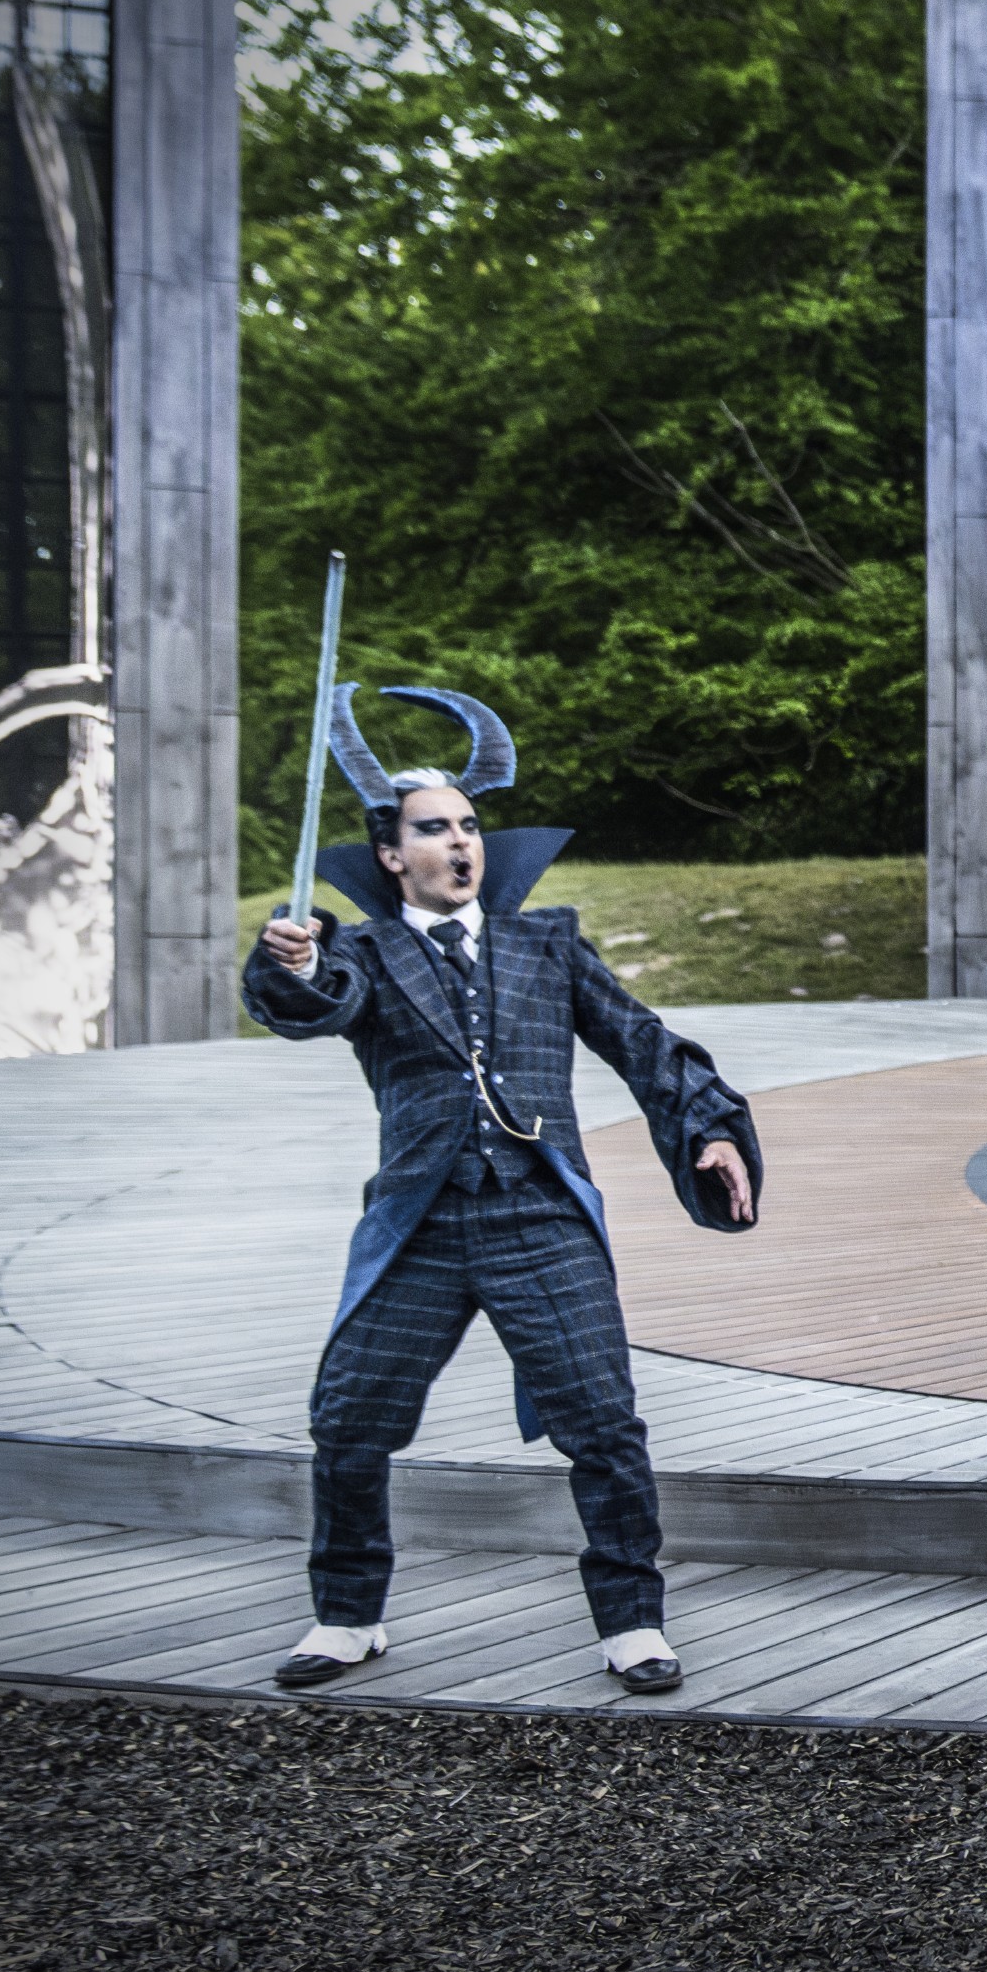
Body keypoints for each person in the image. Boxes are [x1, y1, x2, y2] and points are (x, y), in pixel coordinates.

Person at [243, 687, 762, 1697]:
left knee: (604, 1424)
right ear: (391, 854)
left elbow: (642, 1040)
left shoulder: (546, 944)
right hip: (421, 1225)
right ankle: (346, 1615)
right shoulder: (361, 951)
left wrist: (709, 1129)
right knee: (348, 1418)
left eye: (469, 826)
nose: (459, 844)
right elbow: (311, 1001)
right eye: (432, 829)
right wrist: (292, 965)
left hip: (539, 1218)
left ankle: (633, 1622)